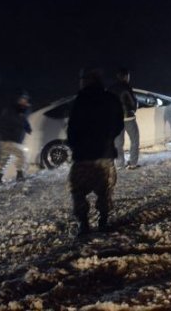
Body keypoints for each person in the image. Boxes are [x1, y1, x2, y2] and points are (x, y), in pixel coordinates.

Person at [66, 69, 124, 237]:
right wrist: (107, 138)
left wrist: (75, 146)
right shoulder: (111, 99)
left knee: (78, 191)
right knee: (105, 191)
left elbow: (72, 129)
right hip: (104, 154)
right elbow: (118, 125)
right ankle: (103, 222)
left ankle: (84, 225)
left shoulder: (79, 100)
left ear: (85, 81)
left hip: (83, 156)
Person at [0, 91, 32, 184]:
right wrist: (25, 124)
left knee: (5, 158)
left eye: (25, 100)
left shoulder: (20, 110)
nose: (24, 101)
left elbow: (23, 120)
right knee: (22, 156)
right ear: (17, 100)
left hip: (9, 139)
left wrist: (27, 127)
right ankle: (20, 176)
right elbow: (18, 120)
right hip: (10, 139)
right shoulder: (12, 110)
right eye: (22, 99)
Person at [108, 68, 140, 169]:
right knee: (134, 140)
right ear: (126, 76)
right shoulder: (126, 87)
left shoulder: (110, 88)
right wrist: (134, 108)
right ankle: (133, 163)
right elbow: (132, 103)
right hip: (128, 118)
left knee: (118, 143)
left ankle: (120, 164)